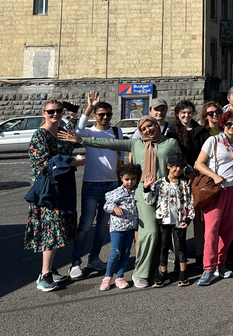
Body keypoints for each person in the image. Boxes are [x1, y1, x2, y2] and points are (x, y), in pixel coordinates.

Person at [60, 116, 192, 288]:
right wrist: (82, 140)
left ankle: (154, 272)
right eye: (143, 128)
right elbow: (107, 143)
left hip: (165, 195)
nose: (147, 130)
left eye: (150, 126)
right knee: (150, 232)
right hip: (143, 194)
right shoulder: (135, 143)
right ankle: (141, 273)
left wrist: (191, 174)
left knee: (160, 235)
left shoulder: (170, 143)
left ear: (155, 125)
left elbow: (180, 163)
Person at [26, 100, 84, 292]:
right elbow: (43, 163)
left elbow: (70, 138)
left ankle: (50, 269)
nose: (55, 114)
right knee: (51, 230)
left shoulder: (59, 131)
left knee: (58, 229)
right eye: (51, 111)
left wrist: (73, 114)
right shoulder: (40, 135)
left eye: (58, 111)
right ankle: (44, 275)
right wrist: (72, 161)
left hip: (62, 187)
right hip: (48, 191)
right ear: (43, 113)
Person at [69, 91, 123, 279]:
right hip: (92, 184)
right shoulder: (89, 132)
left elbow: (121, 155)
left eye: (108, 114)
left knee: (102, 225)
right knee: (85, 224)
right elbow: (77, 130)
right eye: (101, 114)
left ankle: (94, 257)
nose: (106, 117)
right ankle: (75, 262)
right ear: (95, 116)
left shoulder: (116, 131)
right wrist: (90, 106)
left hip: (112, 184)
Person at [194, 110, 233, 285]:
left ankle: (220, 263)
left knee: (228, 230)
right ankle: (208, 268)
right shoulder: (214, 140)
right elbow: (198, 163)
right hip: (216, 189)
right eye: (229, 124)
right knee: (211, 230)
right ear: (223, 124)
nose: (232, 127)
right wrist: (214, 175)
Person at [167, 100, 209, 267]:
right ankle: (179, 256)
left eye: (189, 112)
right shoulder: (172, 133)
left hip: (198, 180)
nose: (186, 115)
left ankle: (200, 254)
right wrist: (186, 171)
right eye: (183, 113)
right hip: (180, 179)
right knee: (179, 219)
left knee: (199, 219)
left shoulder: (201, 131)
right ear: (178, 114)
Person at [144, 155, 194, 287]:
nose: (178, 169)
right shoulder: (160, 183)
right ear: (168, 166)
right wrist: (146, 188)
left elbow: (190, 201)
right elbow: (149, 200)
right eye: (174, 166)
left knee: (181, 246)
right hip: (164, 219)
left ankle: (183, 274)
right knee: (164, 246)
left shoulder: (185, 183)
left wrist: (189, 218)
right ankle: (164, 274)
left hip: (181, 218)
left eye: (181, 167)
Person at [101, 163, 141, 291]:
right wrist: (114, 207)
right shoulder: (116, 192)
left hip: (130, 228)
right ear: (121, 178)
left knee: (125, 253)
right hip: (117, 228)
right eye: (127, 179)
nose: (130, 182)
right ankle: (107, 277)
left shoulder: (137, 192)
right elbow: (106, 205)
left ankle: (120, 277)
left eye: (133, 179)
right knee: (115, 252)